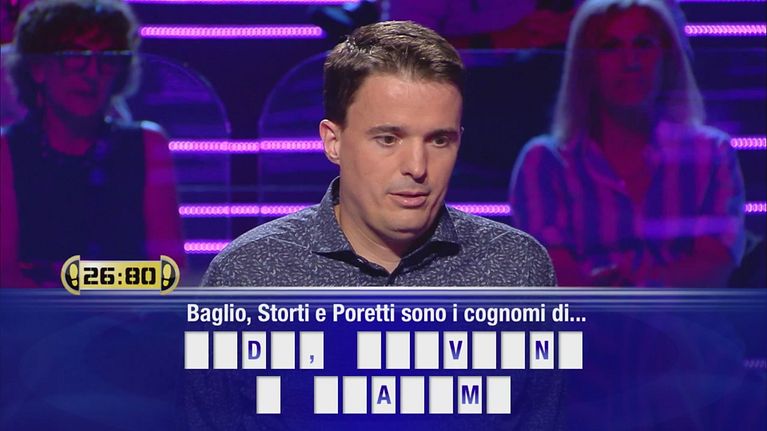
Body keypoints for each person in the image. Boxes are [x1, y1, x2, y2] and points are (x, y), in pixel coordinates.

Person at [202, 21, 555, 287]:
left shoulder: (516, 269)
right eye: (388, 139)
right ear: (333, 141)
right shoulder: (249, 273)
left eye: (438, 140)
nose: (417, 167)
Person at [510, 0, 745, 287]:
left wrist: (637, 295)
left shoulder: (712, 153)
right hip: (586, 316)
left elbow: (715, 263)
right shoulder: (543, 162)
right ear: (586, 65)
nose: (630, 62)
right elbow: (551, 272)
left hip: (686, 317)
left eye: (643, 44)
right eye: (610, 46)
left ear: (667, 58)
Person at [0, 0, 184, 287]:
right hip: (34, 317)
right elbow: (5, 279)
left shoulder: (147, 144)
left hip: (133, 315)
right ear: (38, 68)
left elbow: (169, 275)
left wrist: (71, 278)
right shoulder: (7, 150)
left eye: (107, 59)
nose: (92, 73)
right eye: (75, 56)